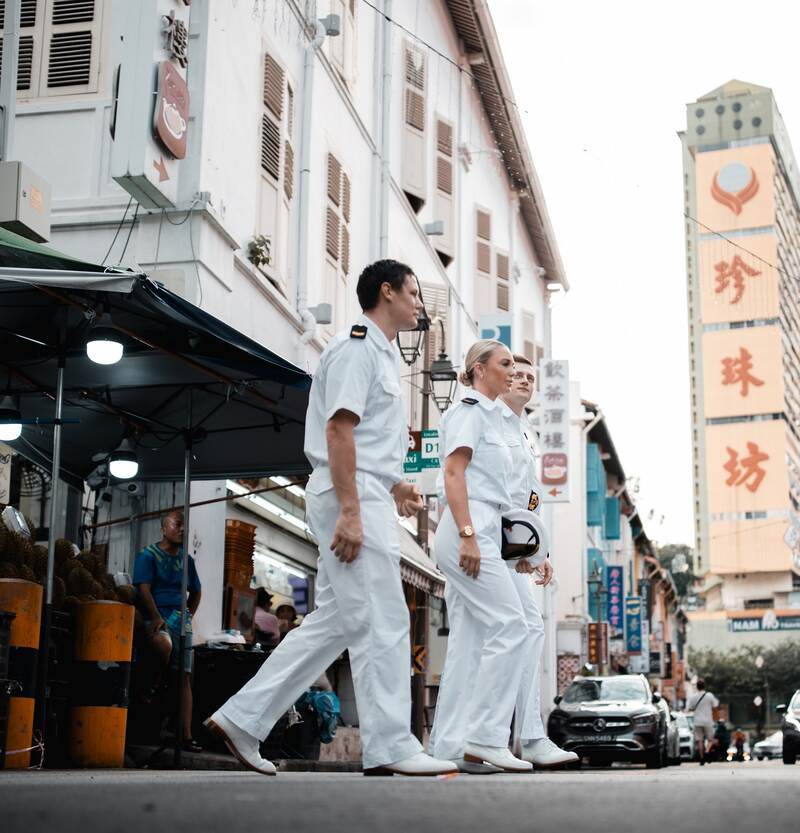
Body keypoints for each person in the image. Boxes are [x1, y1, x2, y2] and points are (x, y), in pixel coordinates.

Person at [206, 259, 456, 778]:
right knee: (384, 619)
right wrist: (350, 510)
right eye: (412, 293)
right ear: (386, 293)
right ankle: (391, 746)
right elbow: (338, 433)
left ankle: (243, 719)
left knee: (333, 626)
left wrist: (396, 484)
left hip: (365, 490)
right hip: (350, 495)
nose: (417, 304)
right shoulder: (356, 349)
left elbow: (363, 444)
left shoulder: (382, 357)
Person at [426, 339, 533, 773]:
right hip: (466, 529)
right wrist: (468, 536)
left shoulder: (493, 418)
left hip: (485, 528)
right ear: (478, 368)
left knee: (471, 645)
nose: (513, 370)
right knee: (514, 625)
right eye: (505, 363)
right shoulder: (469, 412)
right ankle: (486, 737)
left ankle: (451, 747)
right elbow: (453, 473)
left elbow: (507, 494)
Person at [497, 355, 578, 768]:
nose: (525, 381)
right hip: (490, 542)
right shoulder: (487, 419)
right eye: (518, 375)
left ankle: (495, 738)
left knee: (516, 633)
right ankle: (520, 736)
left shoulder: (527, 433)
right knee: (522, 629)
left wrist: (538, 551)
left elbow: (529, 499)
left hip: (512, 547)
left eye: (531, 377)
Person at [134, 509, 202, 752]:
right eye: (177, 525)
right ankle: (150, 686)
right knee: (163, 645)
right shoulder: (147, 555)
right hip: (156, 616)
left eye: (184, 526)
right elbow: (143, 588)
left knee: (185, 677)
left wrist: (188, 615)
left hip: (180, 619)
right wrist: (155, 616)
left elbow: (196, 591)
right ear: (163, 528)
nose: (182, 529)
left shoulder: (187, 560)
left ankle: (186, 736)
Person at [690, 678, 719, 765]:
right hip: (708, 721)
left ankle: (702, 758)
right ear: (704, 686)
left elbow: (690, 708)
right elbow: (715, 705)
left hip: (697, 721)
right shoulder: (709, 695)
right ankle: (707, 751)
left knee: (699, 740)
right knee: (710, 739)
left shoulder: (693, 697)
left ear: (697, 687)